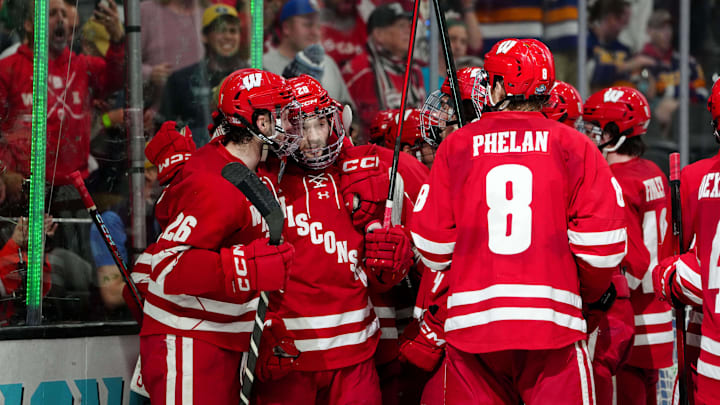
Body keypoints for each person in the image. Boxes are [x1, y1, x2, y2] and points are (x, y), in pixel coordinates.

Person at [409, 38, 627, 404]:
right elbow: (602, 250)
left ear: (499, 85)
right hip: (553, 326)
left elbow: (432, 248)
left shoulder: (457, 145)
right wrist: (582, 295)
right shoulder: (575, 146)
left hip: (472, 331)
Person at [250, 74, 413, 404]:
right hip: (288, 354)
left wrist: (397, 260)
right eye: (300, 126)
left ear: (335, 123)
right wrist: (264, 328)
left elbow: (403, 261)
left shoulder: (363, 172)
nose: (312, 139)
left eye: (320, 125)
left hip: (356, 355)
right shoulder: (262, 179)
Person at [138, 68, 297, 405]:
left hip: (222, 339)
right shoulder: (214, 184)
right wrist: (247, 267)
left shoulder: (254, 174)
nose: (290, 124)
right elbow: (167, 267)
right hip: (188, 339)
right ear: (260, 123)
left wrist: (266, 325)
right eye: (280, 115)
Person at [582, 86, 674, 405]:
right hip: (659, 310)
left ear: (614, 132)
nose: (589, 135)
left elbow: (632, 261)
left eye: (595, 128)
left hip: (631, 316)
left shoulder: (616, 180)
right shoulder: (652, 171)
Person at [158, 4, 247, 147]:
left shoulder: (253, 77)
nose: (228, 36)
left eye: (233, 31)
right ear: (204, 36)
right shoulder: (181, 80)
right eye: (221, 30)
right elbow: (164, 131)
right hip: (195, 161)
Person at [342, 2, 425, 138]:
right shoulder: (359, 70)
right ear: (379, 35)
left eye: (408, 25)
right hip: (372, 152)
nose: (408, 30)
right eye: (400, 26)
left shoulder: (414, 70)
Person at [263, 0, 352, 107]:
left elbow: (348, 112)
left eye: (318, 26)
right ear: (286, 28)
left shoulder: (328, 63)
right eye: (308, 25)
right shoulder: (263, 66)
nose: (315, 32)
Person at [640, 9, 708, 140]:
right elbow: (643, 98)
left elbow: (703, 94)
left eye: (669, 28)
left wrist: (675, 101)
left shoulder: (688, 62)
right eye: (661, 28)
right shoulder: (640, 62)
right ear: (649, 31)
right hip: (652, 129)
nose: (667, 33)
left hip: (690, 121)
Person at [587, 0, 655, 93]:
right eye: (623, 22)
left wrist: (645, 75)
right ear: (611, 18)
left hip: (619, 102)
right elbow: (589, 73)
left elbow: (638, 83)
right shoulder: (586, 42)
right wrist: (626, 66)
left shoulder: (623, 48)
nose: (623, 28)